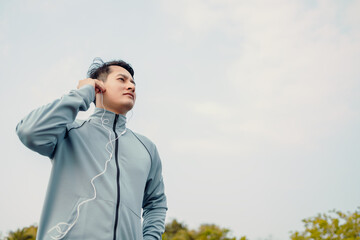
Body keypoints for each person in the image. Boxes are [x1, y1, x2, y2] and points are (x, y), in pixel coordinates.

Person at [15, 59, 167, 240]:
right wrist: (82, 93)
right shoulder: (69, 130)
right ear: (99, 86)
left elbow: (156, 204)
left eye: (133, 83)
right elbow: (29, 132)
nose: (131, 86)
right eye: (122, 79)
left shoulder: (147, 148)